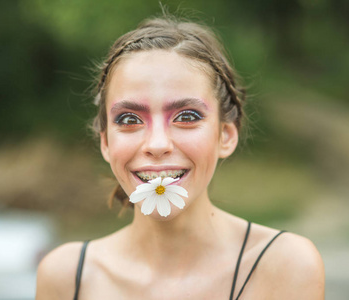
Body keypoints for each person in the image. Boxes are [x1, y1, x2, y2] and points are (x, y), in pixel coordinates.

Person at [36, 14, 325, 300]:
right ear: (106, 142)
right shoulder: (67, 278)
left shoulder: (284, 266)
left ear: (226, 135)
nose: (157, 144)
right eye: (129, 119)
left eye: (186, 116)